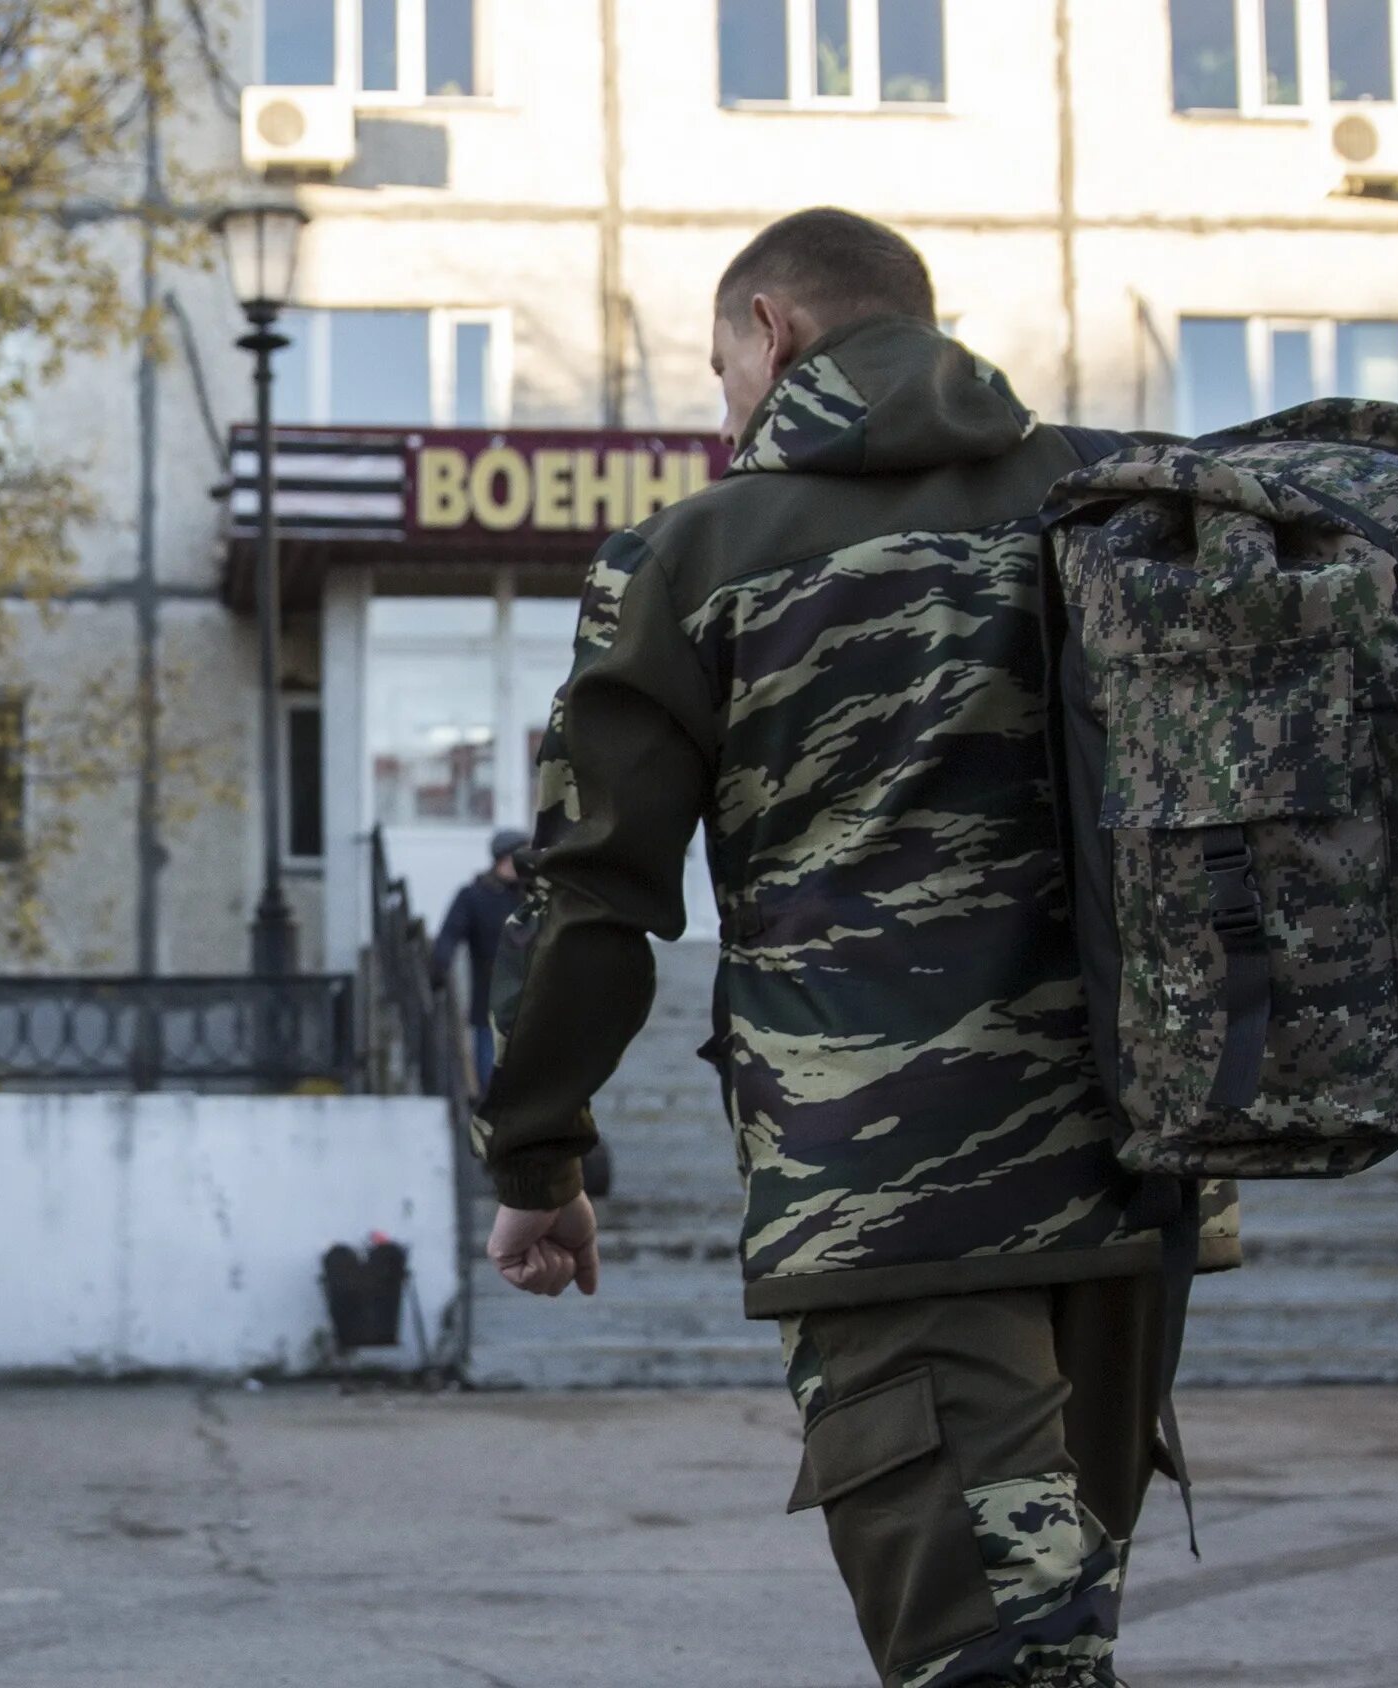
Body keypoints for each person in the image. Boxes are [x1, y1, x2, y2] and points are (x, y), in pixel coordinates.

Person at [473, 208, 1177, 1688]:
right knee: (1055, 1635)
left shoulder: (697, 556)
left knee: (995, 1663)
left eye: (719, 364)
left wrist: (538, 1158)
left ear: (775, 328)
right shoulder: (1104, 495)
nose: (721, 404)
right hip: (1135, 1180)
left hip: (888, 1186)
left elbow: (594, 898)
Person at [433, 828, 527, 1091]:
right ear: (505, 859)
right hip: (491, 1006)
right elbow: (450, 934)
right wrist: (440, 964)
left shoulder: (534, 896)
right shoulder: (475, 896)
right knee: (492, 1081)